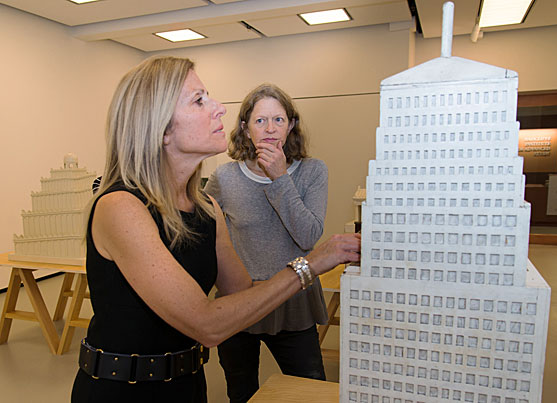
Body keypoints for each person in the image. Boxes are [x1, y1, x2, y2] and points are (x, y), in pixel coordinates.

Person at [70, 56, 360, 403]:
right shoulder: (120, 208)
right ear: (160, 128)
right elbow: (207, 324)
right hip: (123, 392)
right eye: (199, 100)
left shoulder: (206, 208)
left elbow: (242, 294)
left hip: (188, 386)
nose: (220, 108)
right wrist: (311, 264)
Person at [204, 83, 330, 402]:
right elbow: (206, 236)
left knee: (310, 390)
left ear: (291, 125)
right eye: (260, 121)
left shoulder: (313, 172)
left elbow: (308, 237)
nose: (270, 129)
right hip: (240, 302)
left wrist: (280, 178)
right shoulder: (226, 178)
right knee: (242, 390)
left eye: (278, 120)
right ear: (245, 129)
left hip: (294, 300)